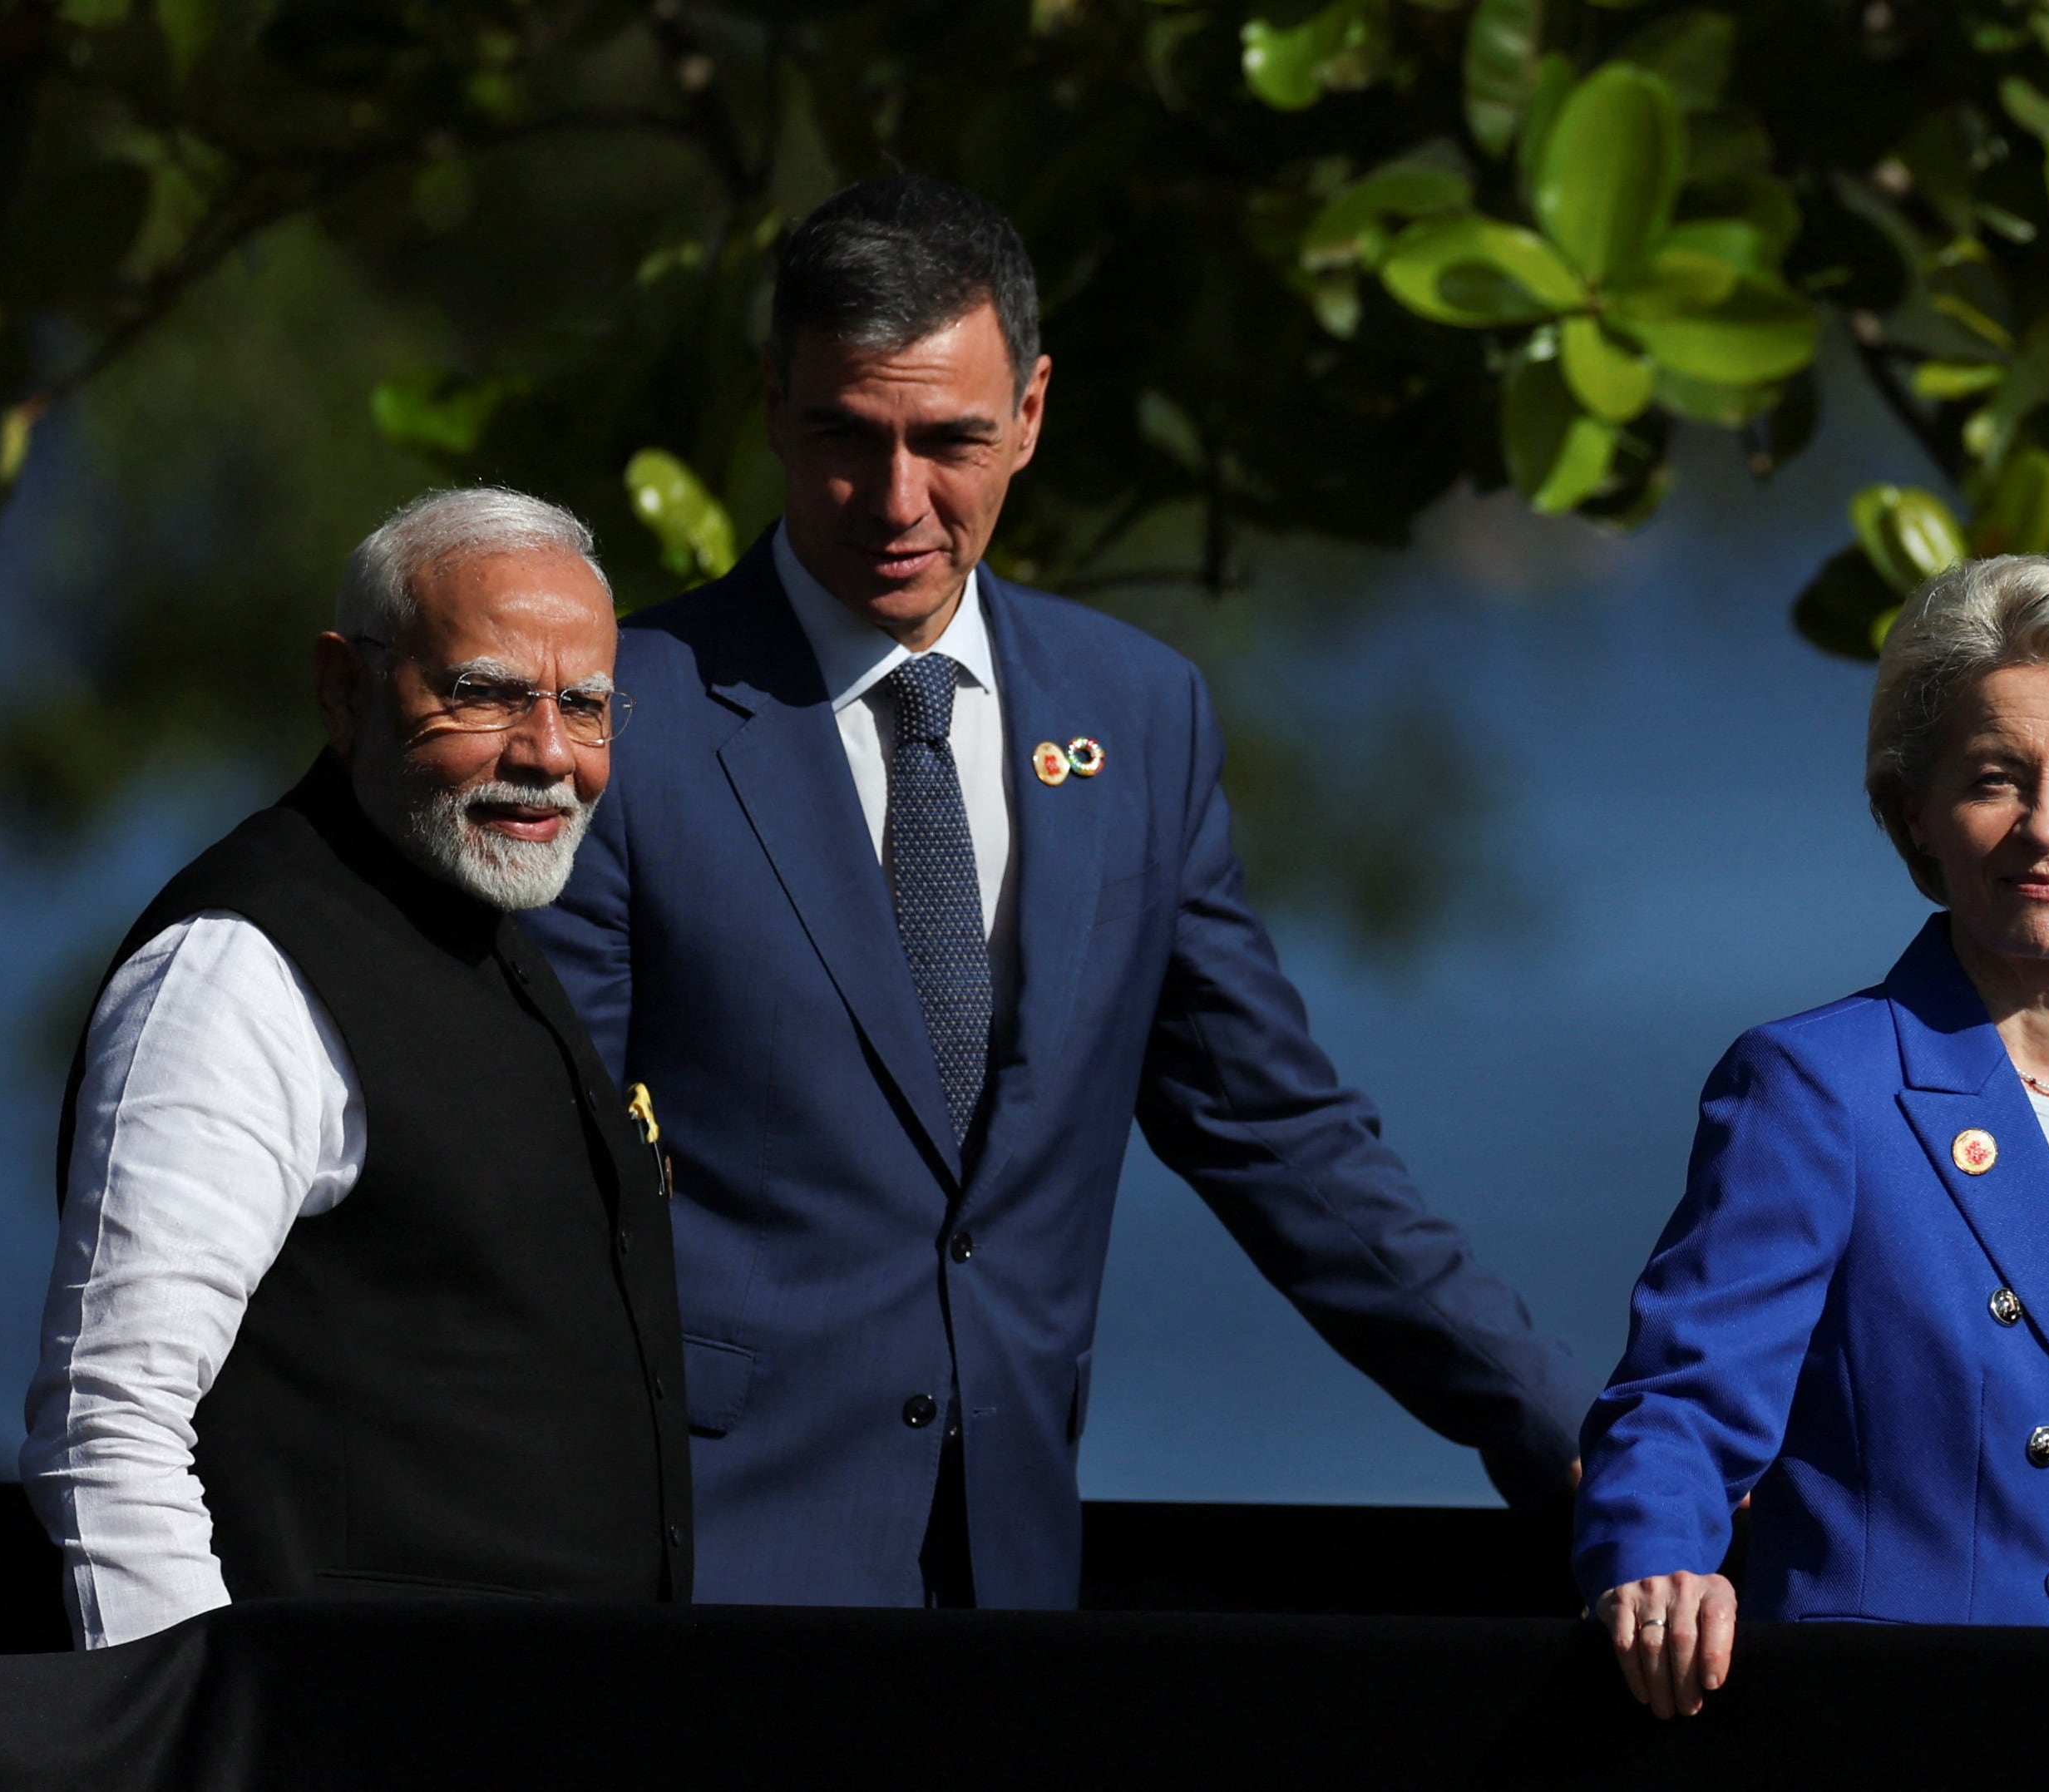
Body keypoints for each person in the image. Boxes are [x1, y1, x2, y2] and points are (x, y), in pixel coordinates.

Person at [522, 174, 1594, 1610]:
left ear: (1030, 413)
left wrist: (1569, 1435)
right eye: (849, 435)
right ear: (774, 404)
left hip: (1014, 1576)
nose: (899, 502)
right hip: (699, 1575)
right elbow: (530, 1178)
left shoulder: (1138, 713)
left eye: (951, 441)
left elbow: (1278, 1137)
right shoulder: (621, 723)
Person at [1573, 555, 2049, 1718]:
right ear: (1915, 811)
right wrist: (1654, 1565)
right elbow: (1683, 1400)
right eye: (1997, 780)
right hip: (1898, 1730)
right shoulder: (1818, 1086)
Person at [21, 489, 692, 1646]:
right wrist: (198, 1745)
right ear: (344, 689)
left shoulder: (476, 923)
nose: (545, 754)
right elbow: (107, 1429)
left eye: (584, 707)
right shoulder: (238, 975)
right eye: (481, 693)